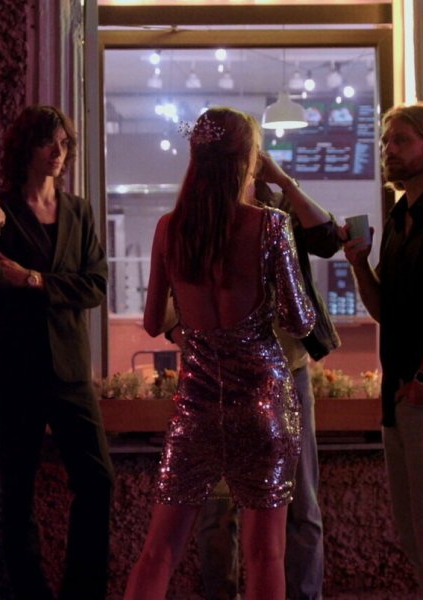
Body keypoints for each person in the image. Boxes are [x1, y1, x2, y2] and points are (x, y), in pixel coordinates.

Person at [124, 107, 316, 600]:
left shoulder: (170, 228)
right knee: (265, 555)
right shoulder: (269, 226)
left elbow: (153, 322)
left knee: (158, 552)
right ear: (248, 159)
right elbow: (301, 321)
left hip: (197, 406)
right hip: (263, 404)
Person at [0, 105, 114, 600]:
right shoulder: (1, 210)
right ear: (25, 147)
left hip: (70, 369)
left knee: (98, 480)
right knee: (17, 490)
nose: (58, 151)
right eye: (48, 142)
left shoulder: (78, 211)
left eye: (65, 143)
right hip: (18, 368)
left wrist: (35, 280)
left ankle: (83, 593)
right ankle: (31, 593)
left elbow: (95, 285)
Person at [194, 152, 342, 600]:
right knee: (219, 506)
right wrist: (191, 337)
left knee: (300, 502)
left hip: (287, 373)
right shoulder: (199, 217)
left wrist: (284, 180)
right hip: (222, 377)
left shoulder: (280, 213)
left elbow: (329, 239)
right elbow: (168, 306)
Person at [343, 101, 423, 597]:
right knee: (413, 537)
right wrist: (359, 264)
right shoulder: (396, 221)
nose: (388, 151)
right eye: (384, 142)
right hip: (397, 400)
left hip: (420, 394)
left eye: (402, 140)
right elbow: (385, 312)